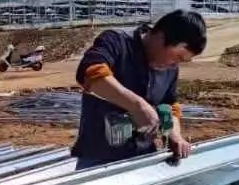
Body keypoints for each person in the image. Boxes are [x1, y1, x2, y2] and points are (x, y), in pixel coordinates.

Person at [71, 9, 207, 169]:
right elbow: (90, 73)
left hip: (143, 159)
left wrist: (174, 135)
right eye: (178, 56)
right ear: (161, 37)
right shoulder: (117, 42)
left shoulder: (170, 68)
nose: (175, 64)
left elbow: (168, 106)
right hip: (99, 159)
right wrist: (137, 105)